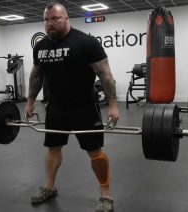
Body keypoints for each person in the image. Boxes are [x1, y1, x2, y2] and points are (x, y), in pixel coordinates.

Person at [24, 2, 119, 212]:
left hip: (84, 106)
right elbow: (36, 75)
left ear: (66, 19)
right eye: (47, 20)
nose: (50, 24)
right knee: (53, 148)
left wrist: (113, 104)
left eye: (55, 19)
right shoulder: (40, 47)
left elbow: (105, 75)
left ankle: (105, 194)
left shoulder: (86, 43)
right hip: (56, 107)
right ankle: (49, 186)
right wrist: (30, 101)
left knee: (94, 151)